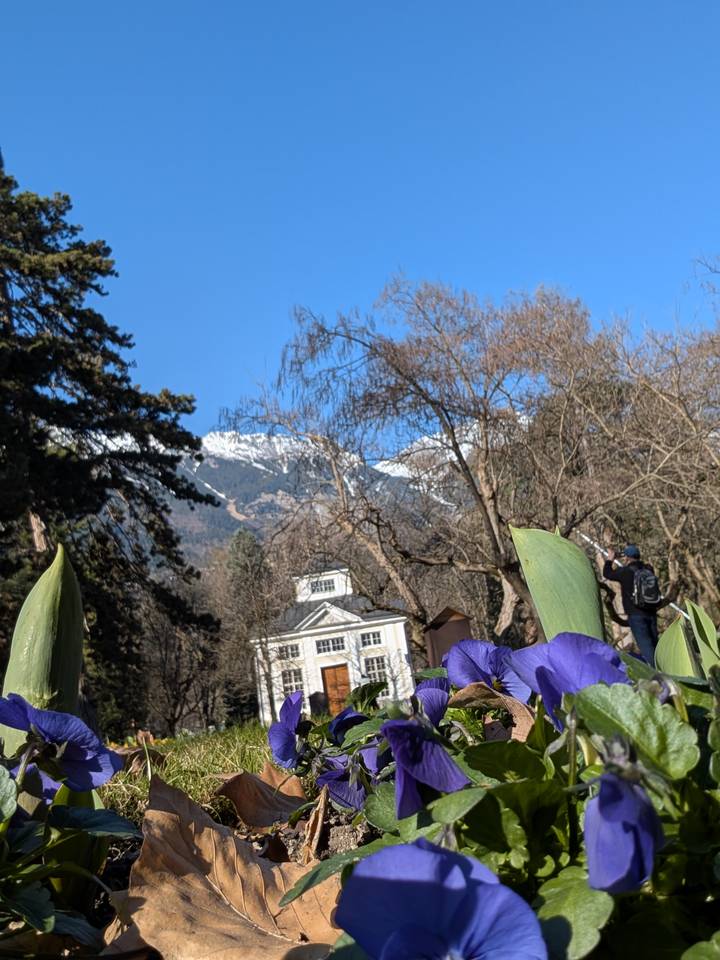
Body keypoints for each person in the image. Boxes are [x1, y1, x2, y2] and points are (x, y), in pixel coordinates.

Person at [601, 545, 660, 663]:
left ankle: (657, 671)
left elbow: (607, 573)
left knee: (647, 648)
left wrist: (610, 559)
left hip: (636, 614)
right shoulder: (648, 569)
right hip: (651, 612)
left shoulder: (625, 571)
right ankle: (665, 667)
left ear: (626, 558)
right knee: (656, 645)